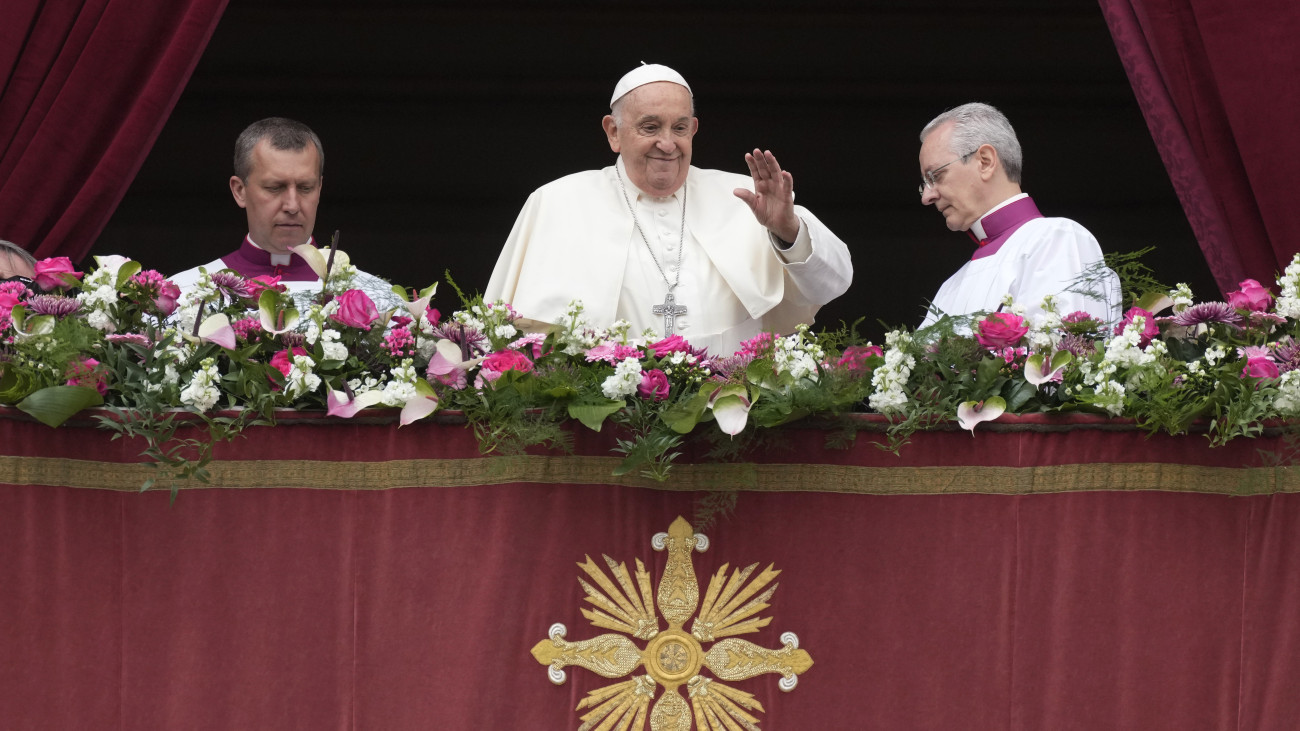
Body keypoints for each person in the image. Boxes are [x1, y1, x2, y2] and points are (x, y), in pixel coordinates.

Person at [485, 63, 852, 355]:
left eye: (679, 128)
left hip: (737, 417)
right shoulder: (557, 202)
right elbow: (507, 337)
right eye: (650, 127)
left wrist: (787, 230)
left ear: (693, 129)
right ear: (613, 132)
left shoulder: (745, 197)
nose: (667, 143)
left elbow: (835, 282)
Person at [917, 103, 1121, 328]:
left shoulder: (1056, 239)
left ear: (985, 161)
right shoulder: (950, 287)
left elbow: (1066, 357)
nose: (927, 196)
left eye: (936, 175)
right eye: (924, 184)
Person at [170, 117, 402, 311]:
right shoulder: (184, 296)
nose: (292, 205)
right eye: (275, 187)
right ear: (240, 191)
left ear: (319, 189)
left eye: (305, 188)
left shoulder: (378, 301)